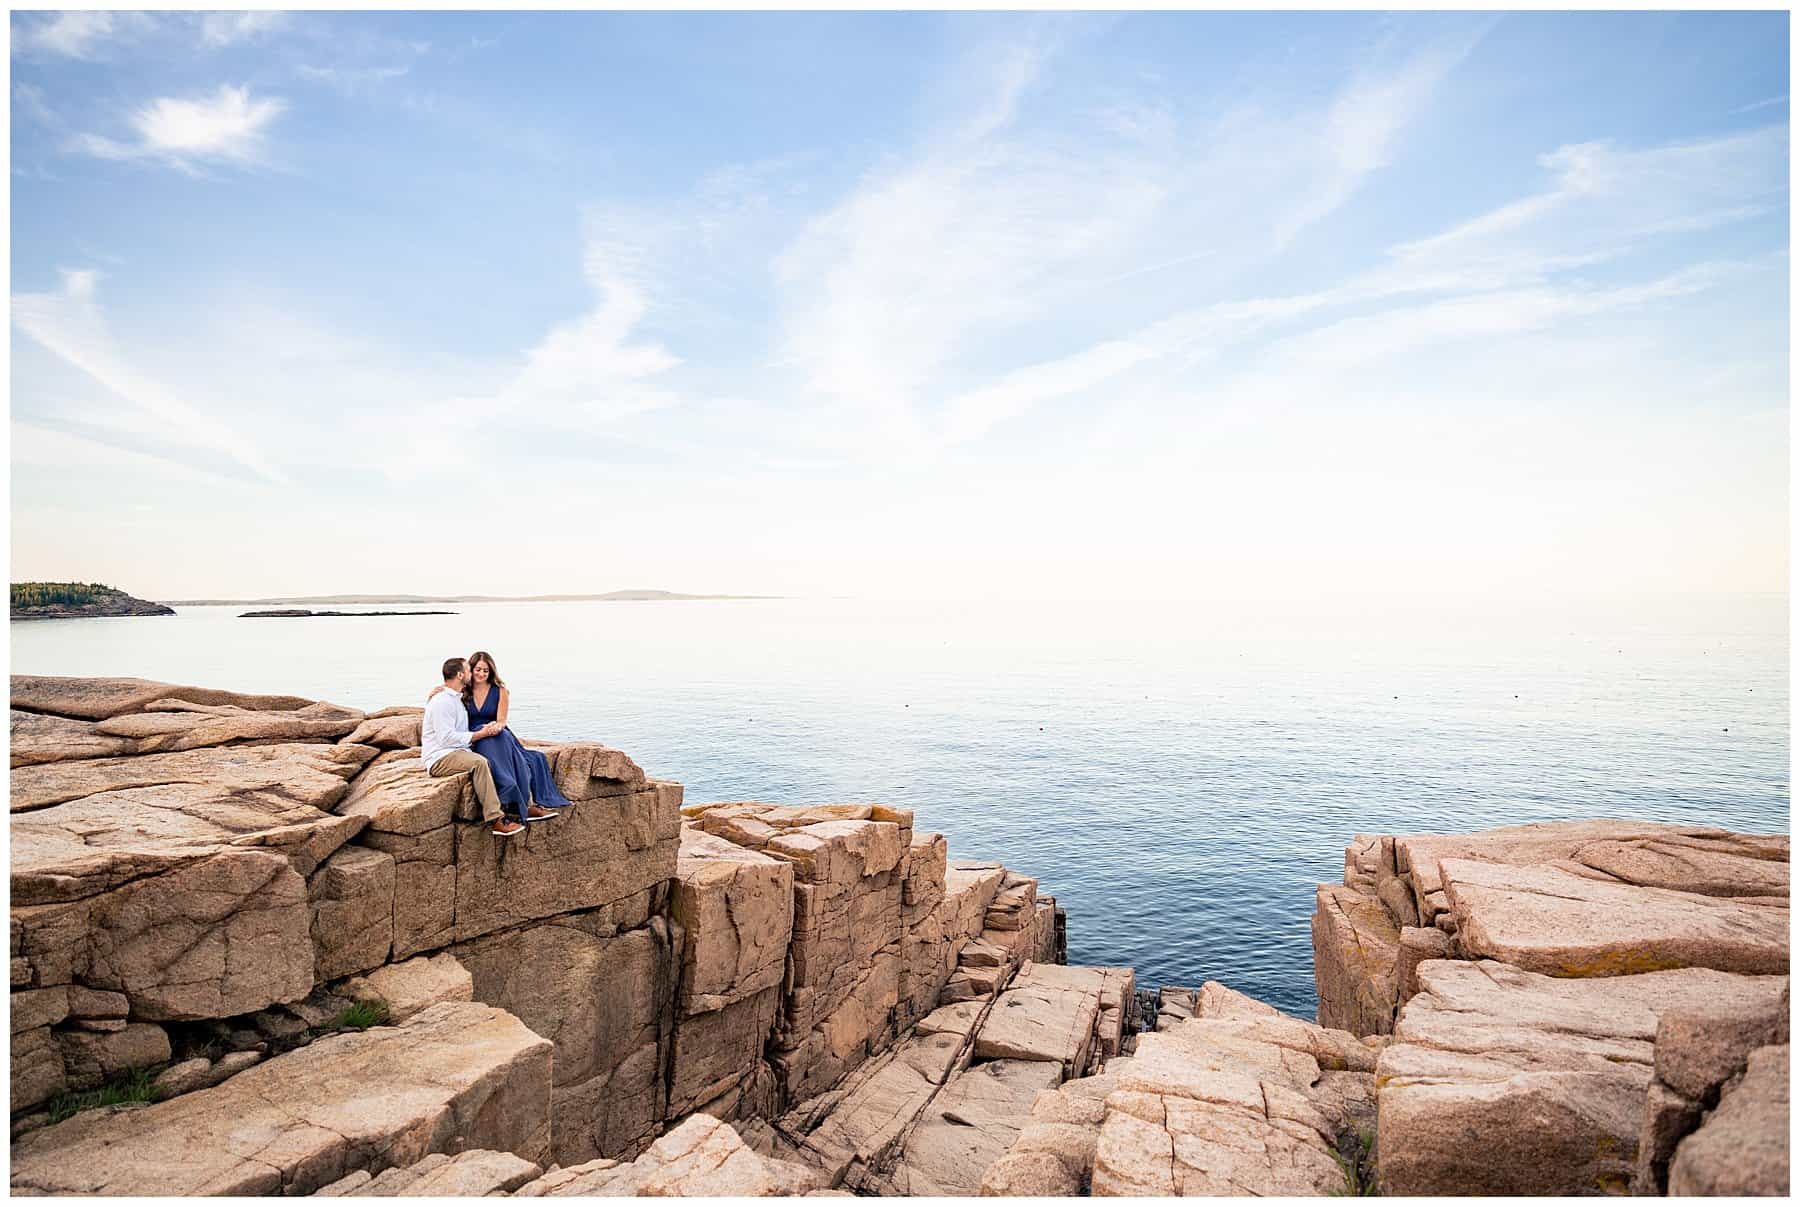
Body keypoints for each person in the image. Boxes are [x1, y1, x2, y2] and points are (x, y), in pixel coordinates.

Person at [462, 650, 573, 819]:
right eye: (478, 669)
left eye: (486, 670)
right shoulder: (464, 690)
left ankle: (524, 801)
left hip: (496, 731)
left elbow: (501, 720)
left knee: (518, 753)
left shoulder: (500, 691)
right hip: (475, 735)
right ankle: (512, 791)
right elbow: (448, 693)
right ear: (471, 669)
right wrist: (437, 690)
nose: (482, 674)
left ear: (491, 672)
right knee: (493, 752)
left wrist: (496, 727)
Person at [421, 656, 522, 837]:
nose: (473, 673)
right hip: (439, 756)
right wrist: (479, 735)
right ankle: (496, 819)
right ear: (460, 675)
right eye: (469, 670)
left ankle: (513, 801)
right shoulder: (442, 702)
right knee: (479, 763)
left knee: (490, 758)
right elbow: (445, 738)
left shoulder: (456, 699)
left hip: (455, 751)